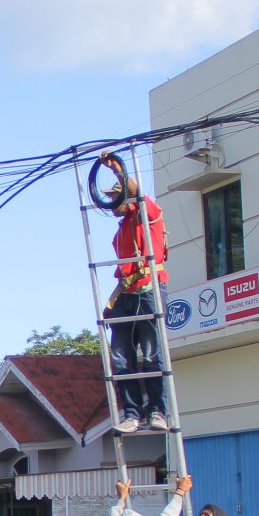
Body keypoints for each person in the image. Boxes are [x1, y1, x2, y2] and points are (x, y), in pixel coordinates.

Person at [100, 159, 170, 435]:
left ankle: (157, 410)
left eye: (114, 197)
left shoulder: (147, 214)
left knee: (152, 355)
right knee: (120, 358)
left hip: (149, 289)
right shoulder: (121, 228)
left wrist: (119, 170)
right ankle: (131, 413)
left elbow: (138, 194)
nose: (110, 204)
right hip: (126, 293)